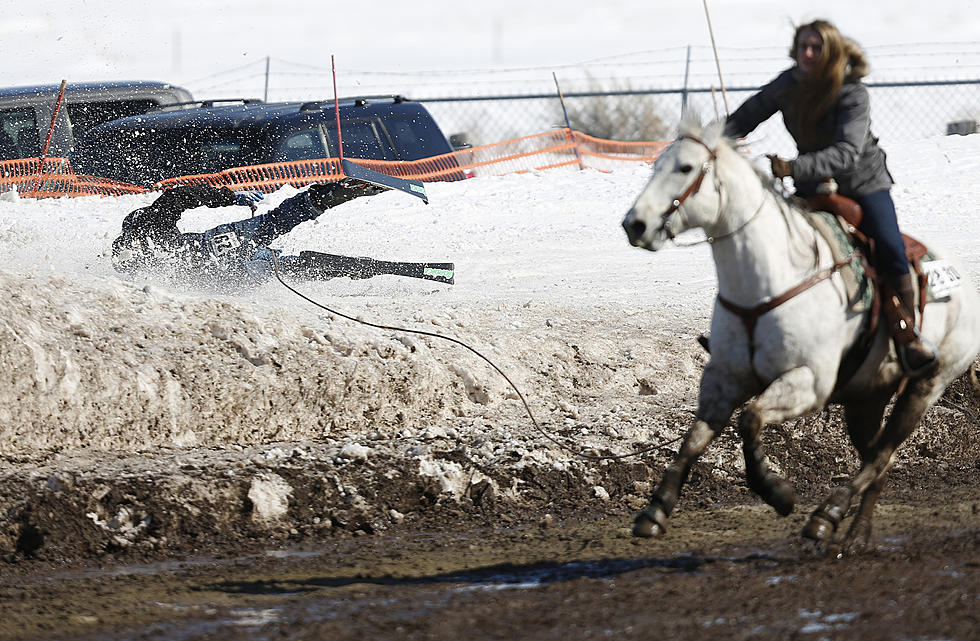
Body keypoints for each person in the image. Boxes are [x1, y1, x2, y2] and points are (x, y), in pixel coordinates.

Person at [723, 18, 937, 376]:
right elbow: (749, 114)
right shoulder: (789, 83)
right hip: (811, 181)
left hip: (862, 183)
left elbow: (846, 153)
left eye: (816, 47)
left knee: (889, 246)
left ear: (832, 51)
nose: (808, 54)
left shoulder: (852, 91)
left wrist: (793, 168)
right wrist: (709, 140)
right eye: (803, 46)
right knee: (771, 239)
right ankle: (753, 331)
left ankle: (910, 335)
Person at [111, 180, 388, 290]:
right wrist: (228, 196)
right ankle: (327, 196)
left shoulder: (134, 261)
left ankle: (352, 268)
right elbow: (179, 195)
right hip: (217, 243)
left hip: (223, 274)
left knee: (284, 267)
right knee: (276, 221)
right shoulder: (154, 222)